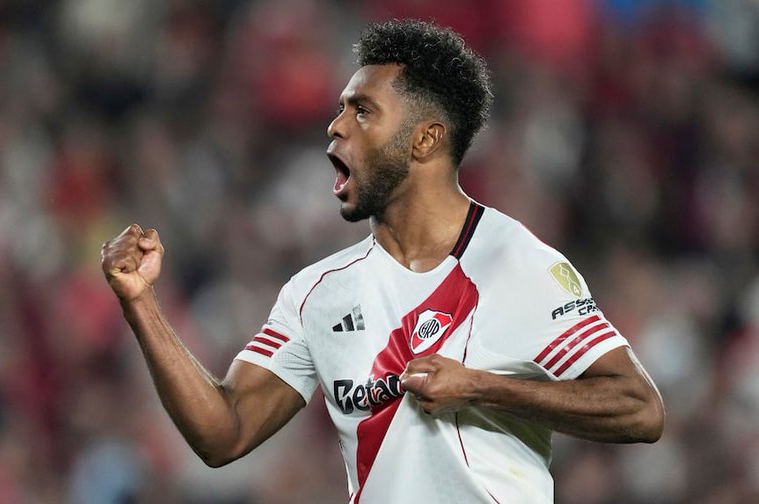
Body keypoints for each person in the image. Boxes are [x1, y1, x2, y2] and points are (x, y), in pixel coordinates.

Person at [100, 19, 665, 503]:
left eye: (363, 111)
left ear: (424, 140)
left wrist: (483, 387)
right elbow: (224, 433)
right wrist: (140, 304)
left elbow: (640, 409)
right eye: (341, 109)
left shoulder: (515, 262)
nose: (336, 125)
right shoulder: (317, 292)